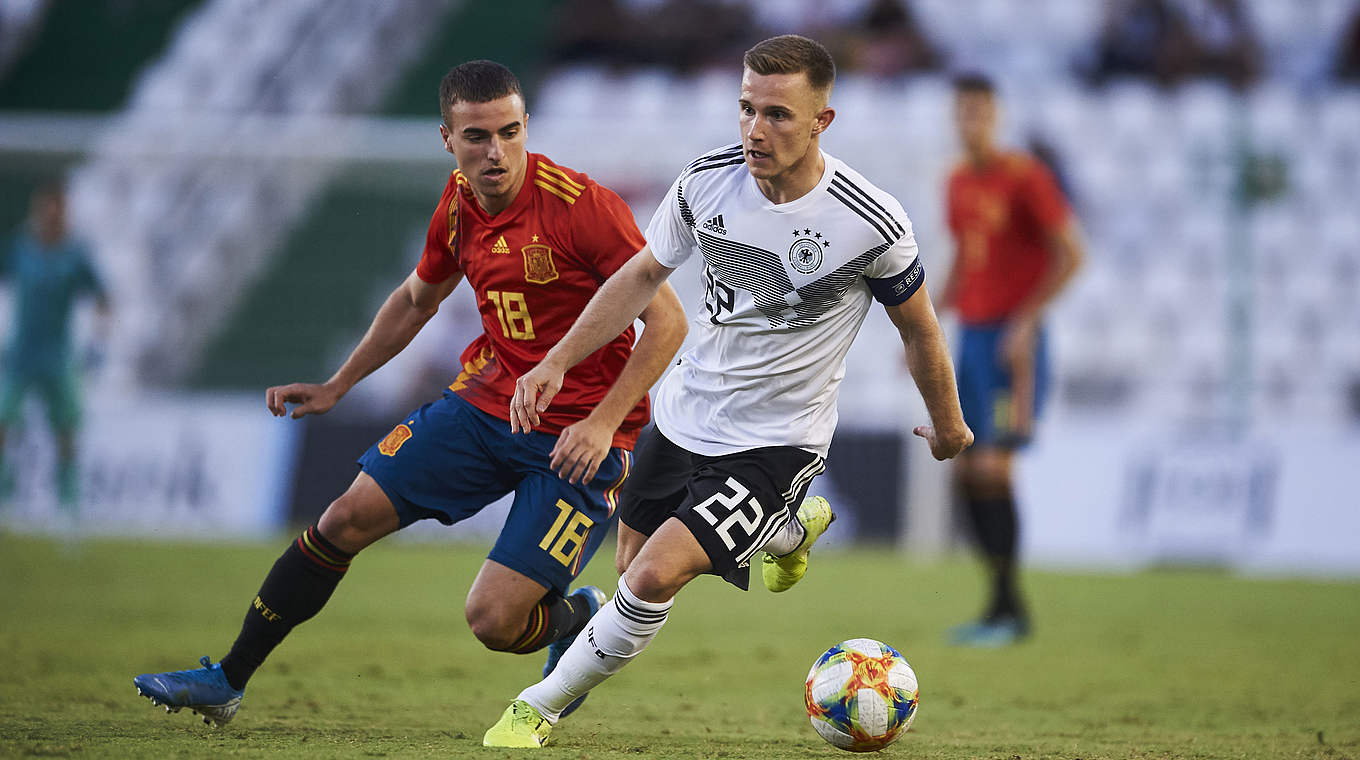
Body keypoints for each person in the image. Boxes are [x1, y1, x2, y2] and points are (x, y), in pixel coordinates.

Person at [131, 60, 687, 727]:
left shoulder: (582, 208)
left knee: (493, 621)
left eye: (510, 132)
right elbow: (417, 299)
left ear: (526, 127)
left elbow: (668, 321)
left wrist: (602, 422)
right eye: (477, 136)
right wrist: (339, 384)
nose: (496, 152)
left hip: (578, 442)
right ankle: (227, 679)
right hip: (484, 410)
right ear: (447, 139)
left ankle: (580, 614)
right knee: (341, 520)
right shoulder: (456, 205)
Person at [482, 34, 972, 748]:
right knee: (627, 569)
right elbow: (641, 278)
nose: (754, 129)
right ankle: (787, 529)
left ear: (820, 122)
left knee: (648, 580)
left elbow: (922, 331)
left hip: (778, 441)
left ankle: (536, 708)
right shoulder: (706, 183)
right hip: (682, 417)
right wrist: (558, 359)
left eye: (776, 114)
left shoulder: (870, 221)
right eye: (746, 109)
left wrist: (950, 426)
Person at [940, 73, 1085, 647]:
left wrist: (1026, 322)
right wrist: (922, 327)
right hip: (971, 339)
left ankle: (1010, 609)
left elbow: (1071, 255)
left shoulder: (1025, 178)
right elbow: (964, 258)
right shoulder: (954, 181)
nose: (969, 122)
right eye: (962, 112)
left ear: (995, 116)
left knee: (994, 467)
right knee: (966, 471)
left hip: (1010, 342)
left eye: (979, 112)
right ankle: (1000, 605)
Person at [0, 181, 110, 512]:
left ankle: (68, 505)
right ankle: (4, 496)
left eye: (58, 208)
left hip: (59, 357)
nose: (51, 216)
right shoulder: (19, 248)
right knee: (4, 423)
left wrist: (98, 343)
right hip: (21, 353)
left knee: (66, 430)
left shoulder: (76, 255)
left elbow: (103, 298)